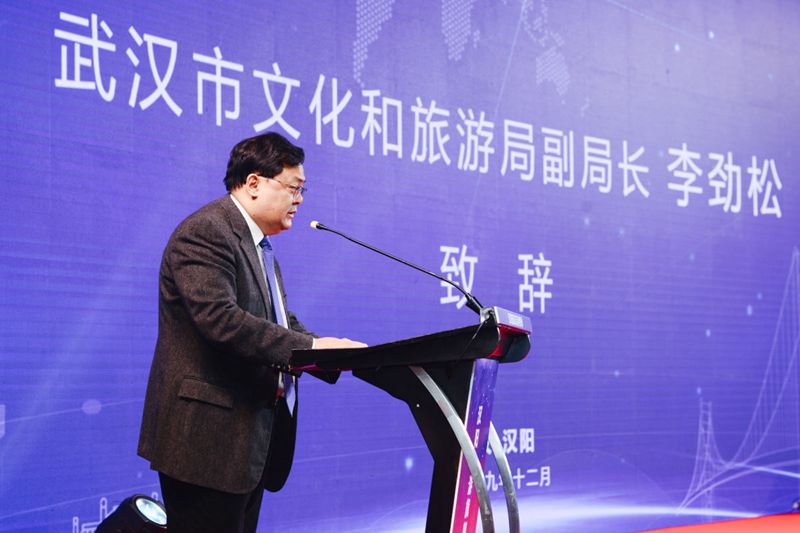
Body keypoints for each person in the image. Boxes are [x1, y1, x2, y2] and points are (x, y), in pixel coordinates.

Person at [138, 132, 365, 533]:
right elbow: (221, 320)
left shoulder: (258, 245)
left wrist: (328, 352)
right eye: (293, 188)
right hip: (205, 444)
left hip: (246, 444)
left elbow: (276, 320)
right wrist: (311, 346)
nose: (300, 199)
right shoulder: (207, 232)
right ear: (255, 182)